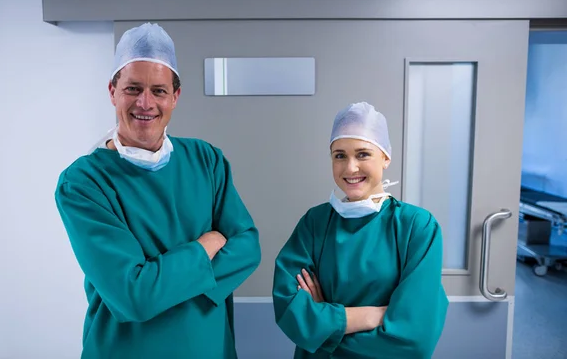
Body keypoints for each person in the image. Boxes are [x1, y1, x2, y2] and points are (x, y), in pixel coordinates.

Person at [55, 23, 261, 359]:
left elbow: (248, 247)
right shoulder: (83, 183)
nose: (145, 103)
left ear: (176, 96)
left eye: (159, 90)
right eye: (133, 88)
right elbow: (133, 297)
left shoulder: (206, 160)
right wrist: (204, 245)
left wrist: (159, 281)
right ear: (112, 91)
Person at [272, 102, 448, 358]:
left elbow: (414, 337)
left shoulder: (416, 227)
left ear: (385, 157)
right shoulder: (314, 223)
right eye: (339, 155)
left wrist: (327, 325)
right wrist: (371, 315)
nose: (350, 167)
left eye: (363, 154)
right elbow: (290, 310)